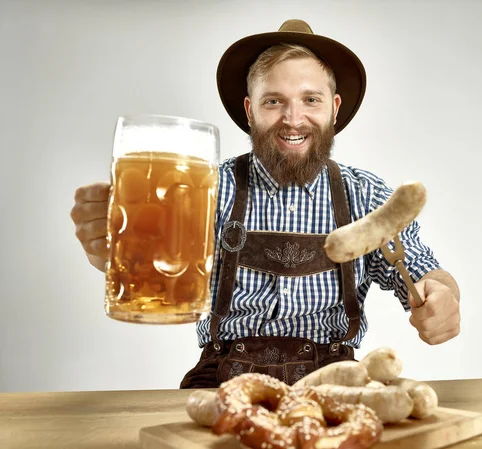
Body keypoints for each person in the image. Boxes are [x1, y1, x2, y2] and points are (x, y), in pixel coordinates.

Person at [70, 19, 461, 388]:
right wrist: (114, 249)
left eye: (311, 99)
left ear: (334, 109)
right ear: (249, 110)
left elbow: (426, 273)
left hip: (337, 380)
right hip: (221, 378)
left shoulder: (368, 196)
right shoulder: (203, 189)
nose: (294, 119)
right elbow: (158, 262)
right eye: (274, 101)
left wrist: (441, 297)